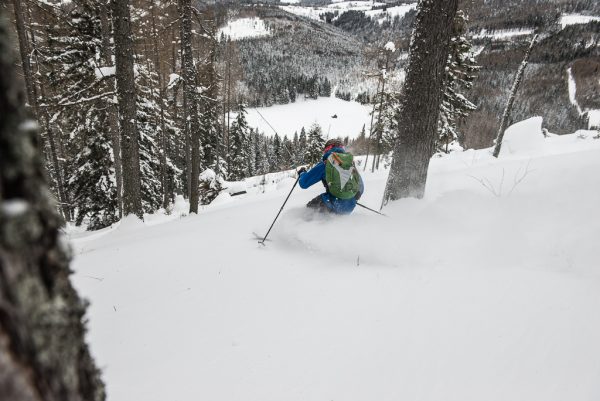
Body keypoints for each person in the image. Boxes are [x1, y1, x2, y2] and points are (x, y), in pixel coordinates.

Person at [298, 139, 364, 214]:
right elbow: (361, 188)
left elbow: (303, 183)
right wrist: (349, 199)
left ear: (328, 149)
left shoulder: (326, 163)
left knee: (306, 213)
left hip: (330, 203)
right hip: (349, 207)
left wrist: (302, 173)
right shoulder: (350, 164)